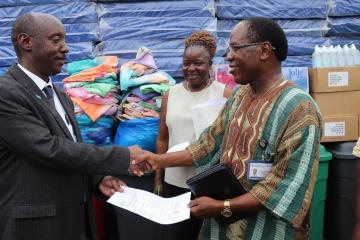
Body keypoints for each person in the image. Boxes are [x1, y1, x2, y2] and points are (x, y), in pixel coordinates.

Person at [132, 17, 322, 240]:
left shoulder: (299, 109)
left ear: (264, 51)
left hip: (266, 232)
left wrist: (222, 206)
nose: (229, 56)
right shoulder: (240, 96)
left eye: (236, 48)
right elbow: (208, 144)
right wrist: (157, 160)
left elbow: (286, 186)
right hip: (222, 230)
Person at [0, 12, 140, 240]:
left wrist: (97, 178)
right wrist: (123, 157)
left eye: (64, 40)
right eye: (56, 40)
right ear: (26, 42)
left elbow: (72, 147)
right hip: (34, 226)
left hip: (74, 221)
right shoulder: (6, 92)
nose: (65, 48)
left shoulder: (61, 96)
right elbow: (48, 149)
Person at [154, 30, 231, 240]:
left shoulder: (224, 94)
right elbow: (163, 137)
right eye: (186, 63)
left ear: (210, 64)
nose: (191, 68)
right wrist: (158, 178)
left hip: (210, 184)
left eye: (198, 63)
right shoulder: (171, 94)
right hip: (175, 182)